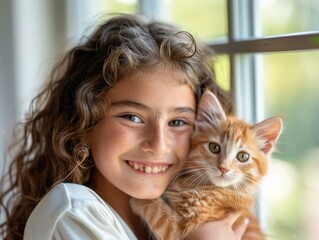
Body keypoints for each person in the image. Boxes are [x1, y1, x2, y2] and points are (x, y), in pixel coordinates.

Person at [0, 14, 249, 240]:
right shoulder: (73, 212)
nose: (158, 145)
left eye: (178, 122)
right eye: (132, 117)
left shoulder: (172, 222)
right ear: (84, 121)